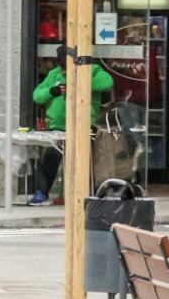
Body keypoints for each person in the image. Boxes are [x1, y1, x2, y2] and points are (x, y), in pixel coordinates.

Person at [29, 49, 113, 204]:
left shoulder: (92, 70)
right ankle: (42, 192)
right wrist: (52, 91)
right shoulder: (55, 74)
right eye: (62, 66)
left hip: (85, 124)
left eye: (67, 66)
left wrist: (80, 81)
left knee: (84, 160)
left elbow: (107, 82)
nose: (64, 70)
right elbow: (37, 96)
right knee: (50, 159)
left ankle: (86, 194)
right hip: (58, 126)